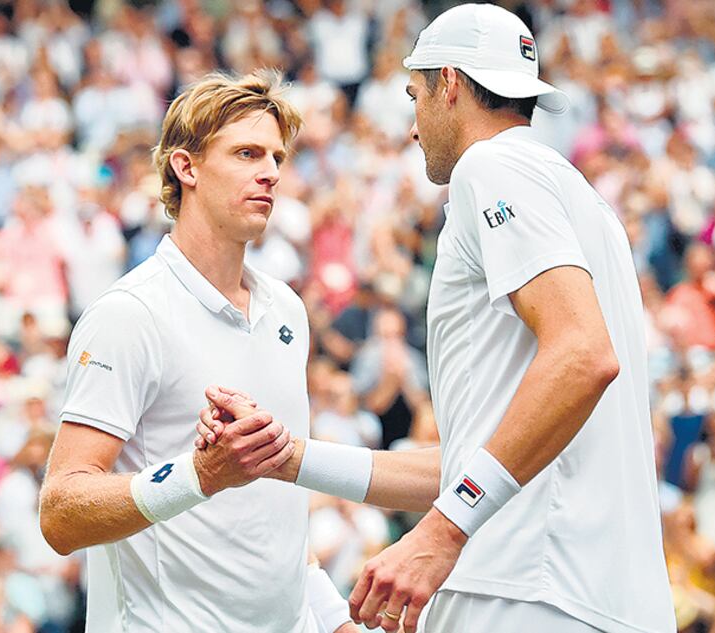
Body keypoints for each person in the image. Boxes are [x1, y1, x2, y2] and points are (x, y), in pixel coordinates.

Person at [197, 5, 674, 633]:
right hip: (600, 598)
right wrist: (288, 458)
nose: (414, 122)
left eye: (415, 93)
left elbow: (583, 355)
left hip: (526, 590)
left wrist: (444, 531)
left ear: (449, 83)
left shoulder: (491, 167)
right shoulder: (581, 200)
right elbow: (469, 464)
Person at [39, 70, 355, 633]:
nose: (270, 174)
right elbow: (61, 514)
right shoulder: (127, 314)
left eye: (277, 158)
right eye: (247, 153)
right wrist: (201, 476)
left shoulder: (286, 310)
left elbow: (276, 513)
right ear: (186, 168)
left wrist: (336, 621)